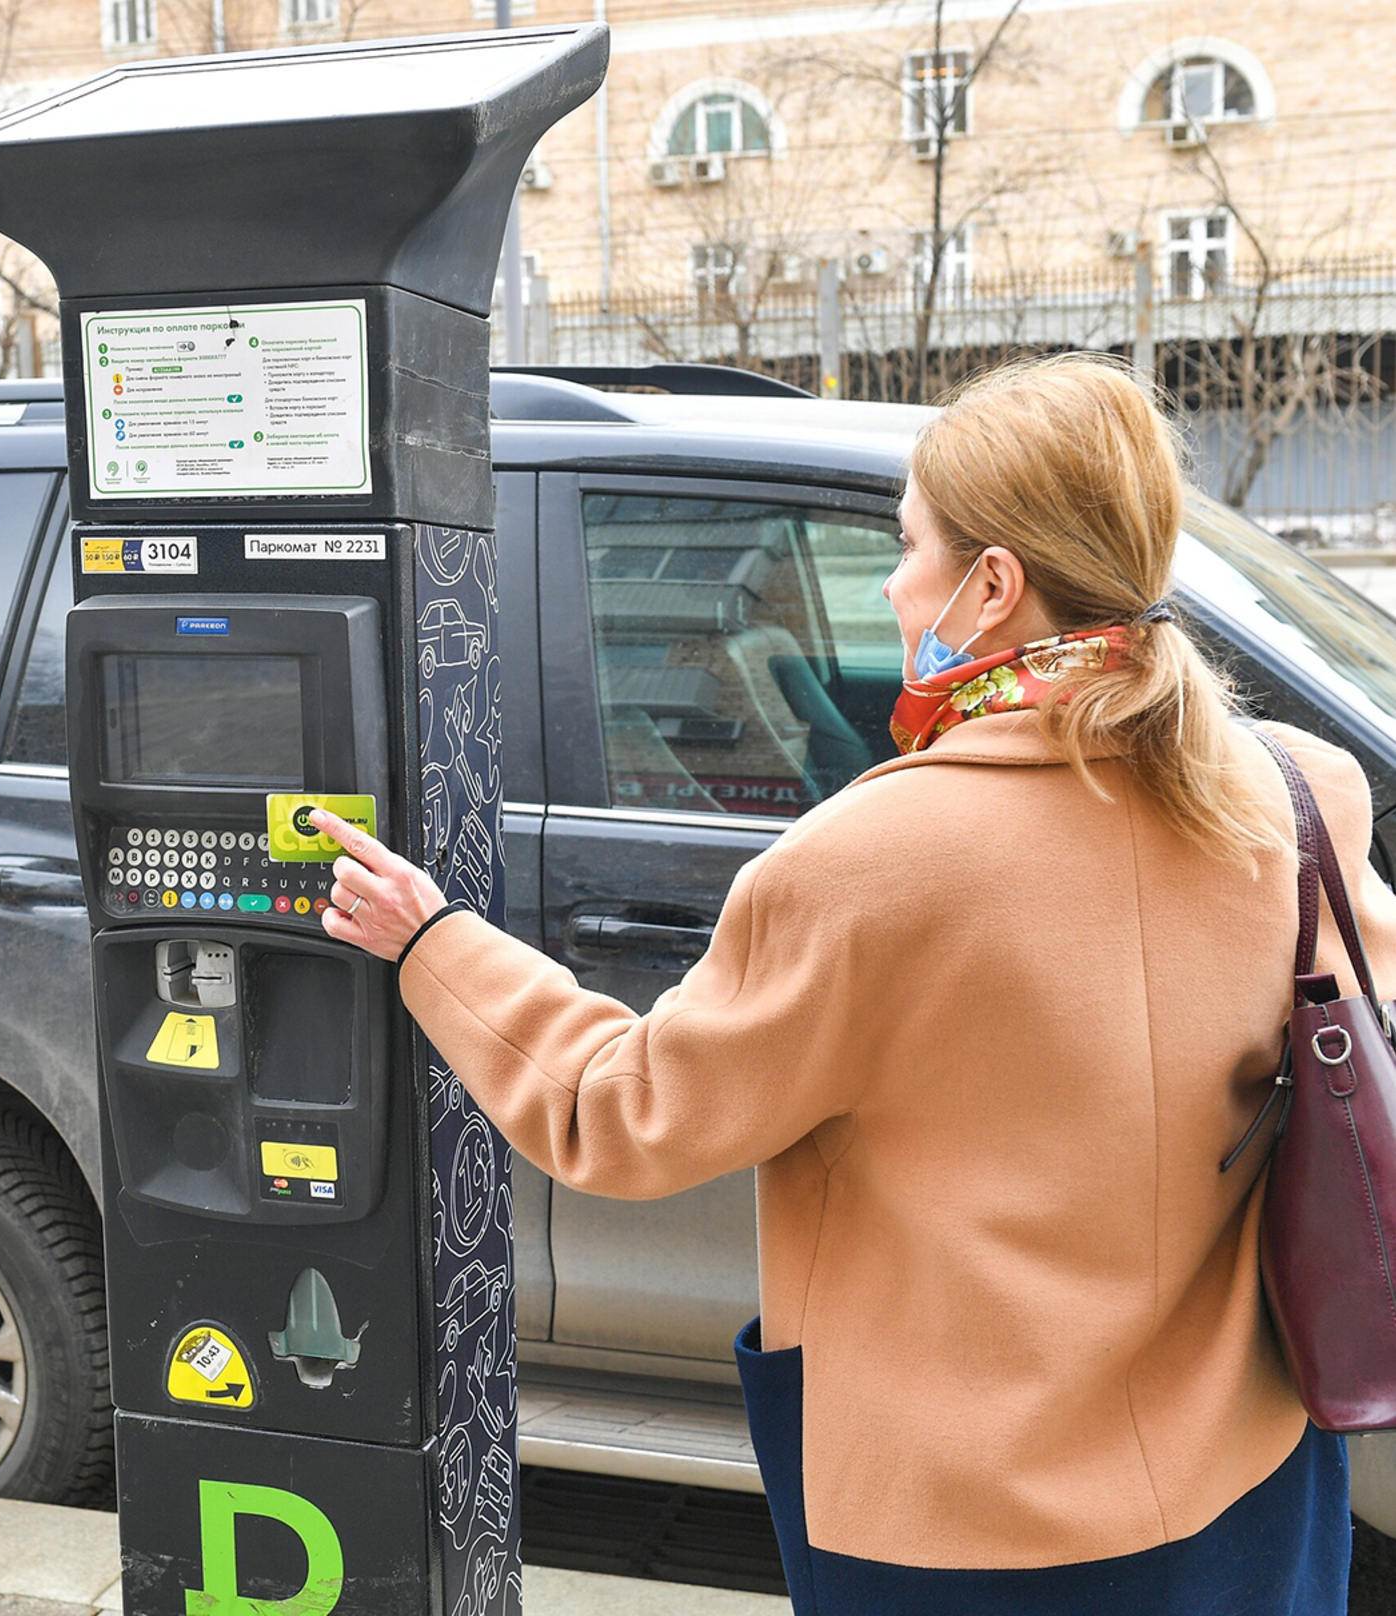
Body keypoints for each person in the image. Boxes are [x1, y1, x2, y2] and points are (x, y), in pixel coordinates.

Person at [310, 354, 1396, 1615]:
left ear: (990, 586)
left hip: (969, 1527)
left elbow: (618, 1116)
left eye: (907, 545)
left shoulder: (870, 860)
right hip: (1250, 1473)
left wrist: (432, 938)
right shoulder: (1295, 788)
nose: (890, 581)